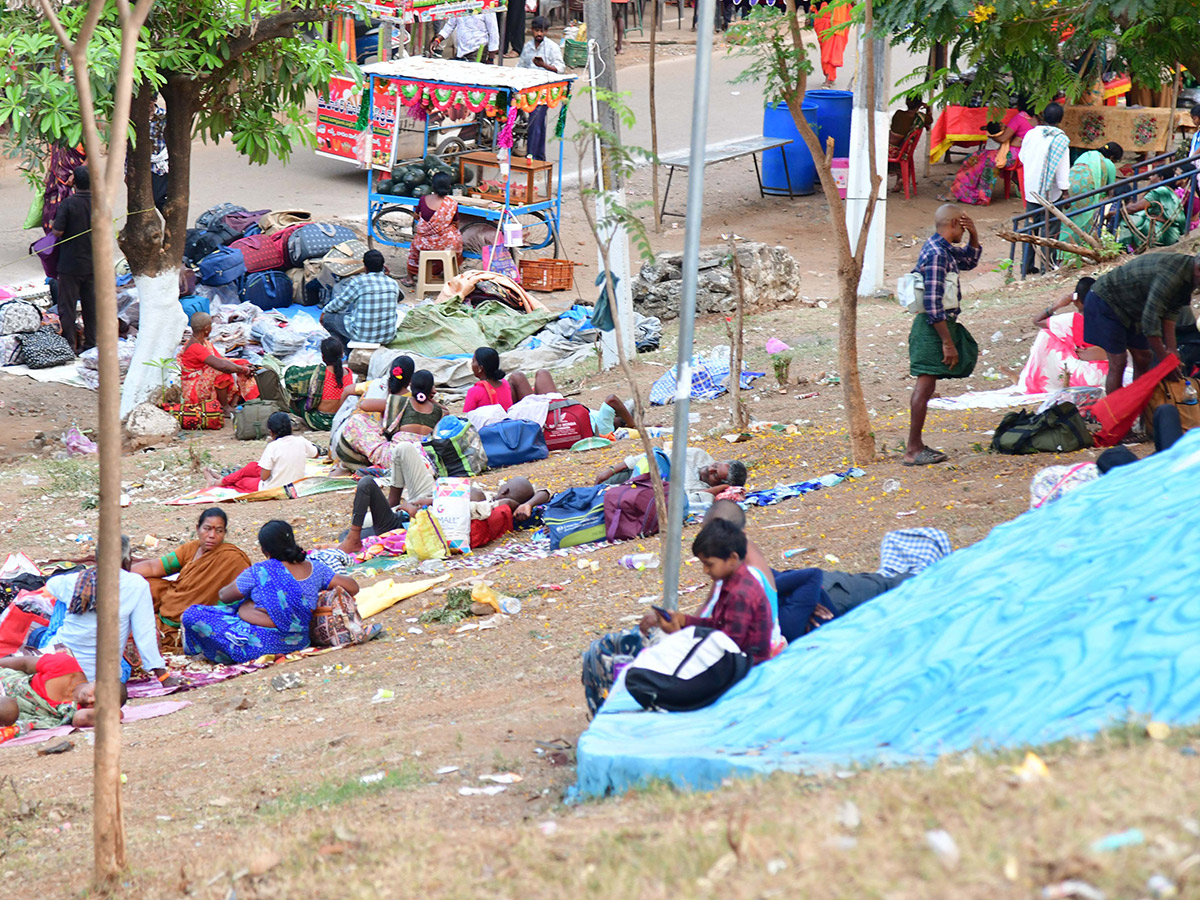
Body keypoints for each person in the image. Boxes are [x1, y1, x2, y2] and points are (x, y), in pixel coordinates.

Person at [582, 518, 780, 718]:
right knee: (648, 666)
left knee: (646, 674)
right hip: (730, 660)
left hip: (739, 668)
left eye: (709, 564)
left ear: (732, 558)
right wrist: (683, 620)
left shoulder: (741, 592)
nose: (705, 571)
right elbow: (718, 628)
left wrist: (681, 635)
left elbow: (727, 644)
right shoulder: (731, 582)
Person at [181, 520, 359, 665]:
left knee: (192, 614)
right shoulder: (316, 569)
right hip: (300, 642)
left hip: (261, 645)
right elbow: (353, 587)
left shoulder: (259, 571)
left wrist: (246, 604)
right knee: (238, 610)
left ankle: (208, 653)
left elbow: (225, 596)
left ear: (264, 550)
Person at [40, 536, 174, 685]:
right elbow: (144, 633)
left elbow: (52, 584)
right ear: (126, 558)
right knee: (124, 666)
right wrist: (163, 677)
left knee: (62, 603)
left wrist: (85, 594)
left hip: (60, 668)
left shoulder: (76, 580)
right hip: (103, 679)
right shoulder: (136, 585)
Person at [906, 204, 981, 466]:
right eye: (962, 226)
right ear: (952, 225)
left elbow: (969, 261)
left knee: (928, 384)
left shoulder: (942, 248)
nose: (963, 229)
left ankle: (916, 445)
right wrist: (947, 342)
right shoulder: (938, 254)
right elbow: (933, 302)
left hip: (935, 324)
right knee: (925, 384)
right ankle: (913, 449)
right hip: (932, 326)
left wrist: (974, 235)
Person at [1083, 253, 1200, 396]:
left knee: (1144, 357)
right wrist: (1165, 360)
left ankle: (1137, 405)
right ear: (1198, 270)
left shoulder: (1189, 275)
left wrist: (1172, 349)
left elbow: (1172, 311)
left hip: (1132, 308)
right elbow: (1150, 324)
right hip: (1107, 301)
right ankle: (1115, 414)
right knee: (1118, 362)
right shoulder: (1171, 277)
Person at [339, 474, 550, 553]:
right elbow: (545, 493)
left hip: (412, 530)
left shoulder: (496, 504)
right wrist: (428, 502)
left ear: (504, 489)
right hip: (403, 523)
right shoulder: (489, 502)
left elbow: (544, 494)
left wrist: (415, 512)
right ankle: (354, 537)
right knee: (346, 533)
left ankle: (354, 538)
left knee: (366, 485)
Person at [131, 507, 252, 636]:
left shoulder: (233, 559)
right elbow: (155, 567)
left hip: (195, 619)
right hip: (170, 602)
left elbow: (236, 599)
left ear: (224, 533)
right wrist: (121, 575)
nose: (212, 535)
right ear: (197, 529)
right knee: (145, 584)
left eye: (219, 531)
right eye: (207, 529)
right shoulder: (191, 548)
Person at [593, 446, 747, 511]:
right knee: (596, 492)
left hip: (644, 490)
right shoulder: (699, 455)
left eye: (715, 475)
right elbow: (655, 455)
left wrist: (720, 489)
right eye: (716, 464)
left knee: (605, 502)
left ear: (720, 484)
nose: (710, 469)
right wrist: (612, 470)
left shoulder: (702, 491)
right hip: (640, 470)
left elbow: (688, 500)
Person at [945, 106, 1038, 206]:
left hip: (1013, 157)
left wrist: (990, 135)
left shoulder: (1019, 118)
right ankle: (968, 192)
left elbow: (1003, 138)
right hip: (1024, 156)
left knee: (975, 160)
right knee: (979, 158)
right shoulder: (1037, 120)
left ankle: (966, 193)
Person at [334, 356, 415, 469]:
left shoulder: (377, 385)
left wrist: (339, 416)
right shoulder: (409, 402)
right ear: (411, 379)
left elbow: (347, 390)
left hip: (353, 444)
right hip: (380, 451)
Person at [1018, 103, 1071, 274]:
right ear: (1061, 120)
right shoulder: (1061, 140)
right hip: (1051, 194)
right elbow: (1062, 169)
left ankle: (1026, 266)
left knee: (1030, 228)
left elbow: (1022, 157)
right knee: (1051, 231)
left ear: (1043, 116)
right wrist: (1065, 191)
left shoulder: (1031, 134)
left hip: (1031, 189)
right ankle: (1046, 267)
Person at [208, 412, 319, 493]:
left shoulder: (273, 447)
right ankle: (222, 479)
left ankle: (217, 482)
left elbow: (264, 477)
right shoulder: (301, 441)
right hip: (295, 483)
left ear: (271, 432)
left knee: (242, 481)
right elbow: (316, 454)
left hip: (272, 487)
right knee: (252, 467)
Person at [508, 366, 636, 436]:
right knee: (541, 373)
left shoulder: (605, 428)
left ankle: (506, 425)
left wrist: (633, 425)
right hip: (558, 408)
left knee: (517, 377)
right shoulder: (599, 418)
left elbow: (612, 399)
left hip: (550, 418)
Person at [0, 653, 111, 730]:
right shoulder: (65, 665)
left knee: (9, 710)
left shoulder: (76, 709)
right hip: (5, 682)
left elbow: (81, 719)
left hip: (8, 708)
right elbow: (24, 663)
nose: (91, 699)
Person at [51, 165, 96, 355]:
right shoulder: (100, 203)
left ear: (74, 182)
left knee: (67, 307)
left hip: (70, 264)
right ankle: (91, 344)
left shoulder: (69, 204)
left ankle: (69, 345)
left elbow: (57, 231)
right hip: (93, 263)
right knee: (91, 306)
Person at [320, 250, 401, 350]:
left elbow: (340, 304)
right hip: (387, 336)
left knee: (328, 318)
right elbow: (400, 297)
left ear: (365, 267)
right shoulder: (392, 283)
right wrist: (387, 276)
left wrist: (325, 311)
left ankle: (345, 351)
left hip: (362, 335)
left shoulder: (359, 281)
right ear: (383, 266)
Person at [178, 312, 255, 415]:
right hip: (193, 389)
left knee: (241, 362)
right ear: (206, 328)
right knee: (221, 372)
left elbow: (220, 359)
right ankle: (224, 407)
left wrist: (242, 366)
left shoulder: (202, 342)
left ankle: (234, 403)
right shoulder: (196, 347)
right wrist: (244, 370)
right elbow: (221, 365)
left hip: (201, 376)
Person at [517, 16, 566, 162]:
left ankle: (532, 157)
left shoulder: (552, 47)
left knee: (535, 123)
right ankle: (539, 156)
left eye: (542, 31)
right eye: (537, 31)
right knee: (537, 124)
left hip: (544, 92)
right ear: (532, 30)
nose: (539, 34)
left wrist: (544, 66)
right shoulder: (528, 47)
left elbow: (560, 68)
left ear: (546, 31)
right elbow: (520, 66)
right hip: (528, 89)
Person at [403, 174, 463, 288]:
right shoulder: (452, 204)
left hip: (424, 243)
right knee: (456, 241)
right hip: (445, 244)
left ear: (432, 186)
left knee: (414, 250)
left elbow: (416, 216)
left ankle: (410, 278)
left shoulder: (423, 199)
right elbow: (456, 223)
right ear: (449, 187)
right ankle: (446, 271)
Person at [285, 336, 357, 430]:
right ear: (342, 355)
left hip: (320, 421)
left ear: (323, 357)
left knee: (300, 393)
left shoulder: (316, 372)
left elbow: (290, 376)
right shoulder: (349, 374)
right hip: (340, 419)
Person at [1118, 164, 1188, 250]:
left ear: (1161, 178)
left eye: (1153, 175)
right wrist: (1147, 189)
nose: (1150, 178)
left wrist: (1112, 213)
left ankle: (1123, 250)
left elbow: (1132, 209)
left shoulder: (1159, 191)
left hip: (1164, 235)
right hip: (1173, 234)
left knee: (1125, 222)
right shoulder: (1170, 191)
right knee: (1140, 215)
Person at [431, 12, 499, 62]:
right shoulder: (459, 6)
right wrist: (437, 40)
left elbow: (493, 32)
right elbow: (450, 25)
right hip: (461, 51)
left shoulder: (487, 7)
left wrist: (491, 57)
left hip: (478, 51)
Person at [463, 347, 514, 413]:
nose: (471, 364)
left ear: (480, 368)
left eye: (473, 361)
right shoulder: (505, 383)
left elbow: (468, 417)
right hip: (507, 421)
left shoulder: (475, 391)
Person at [814, 0, 851, 88]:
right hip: (822, 23)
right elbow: (814, 5)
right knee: (824, 52)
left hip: (838, 22)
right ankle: (829, 74)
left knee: (832, 52)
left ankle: (829, 78)